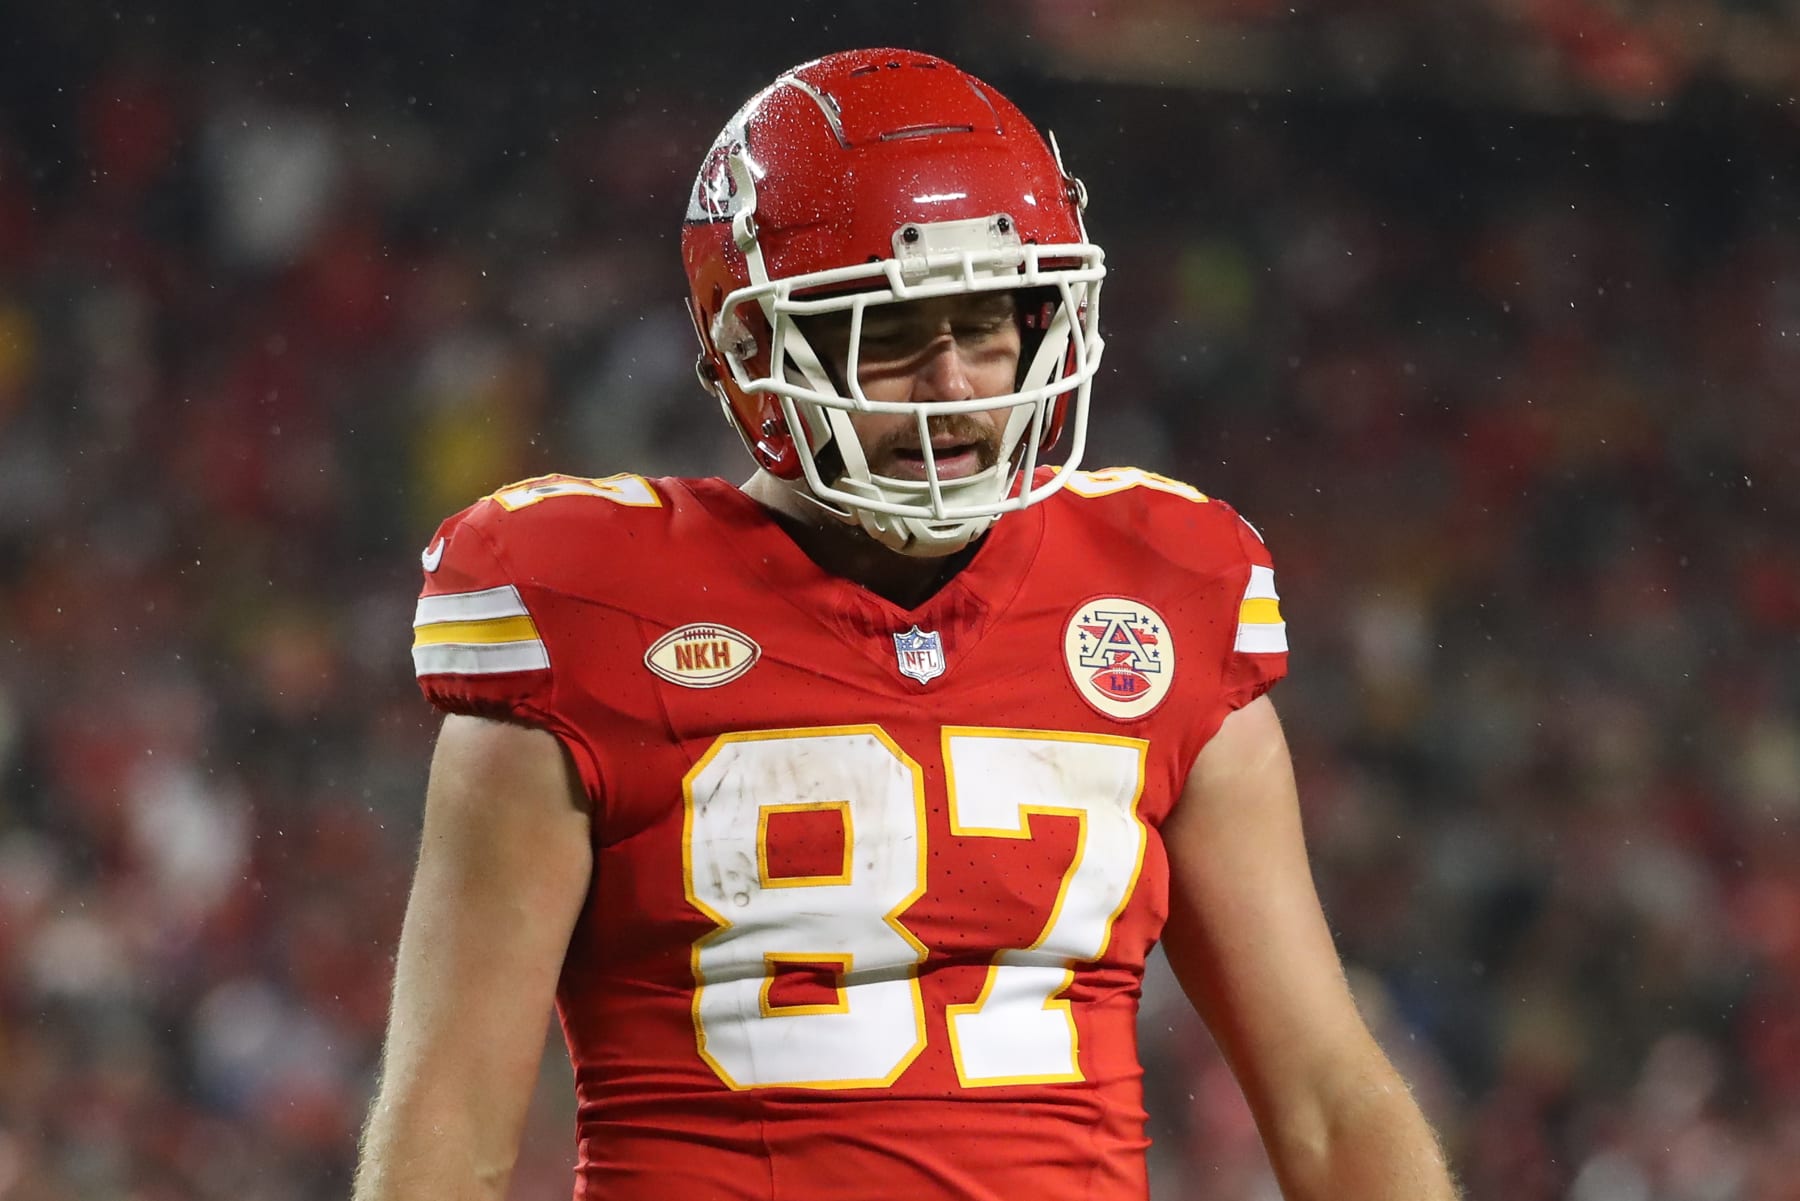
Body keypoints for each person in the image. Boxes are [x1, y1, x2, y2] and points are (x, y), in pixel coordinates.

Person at [352, 47, 1460, 1201]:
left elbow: (1329, 1102)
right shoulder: (580, 607)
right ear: (751, 354)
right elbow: (449, 1129)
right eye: (892, 335)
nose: (957, 387)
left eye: (986, 324)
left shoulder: (1168, 590)